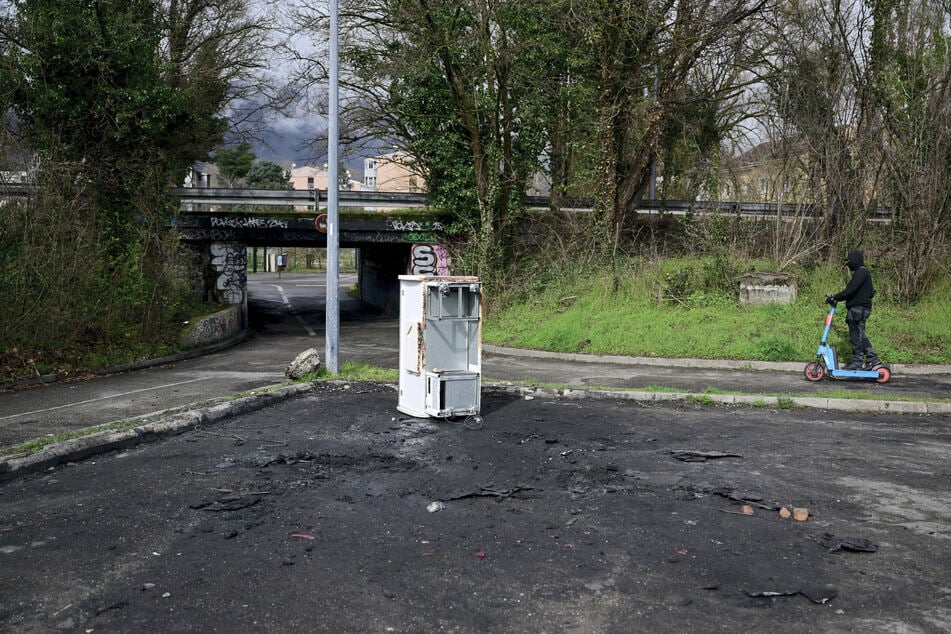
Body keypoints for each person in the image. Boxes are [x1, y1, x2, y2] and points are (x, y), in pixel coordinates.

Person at [826, 250, 880, 370]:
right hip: (858, 309)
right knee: (859, 335)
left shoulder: (861, 272)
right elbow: (865, 292)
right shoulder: (862, 273)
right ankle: (873, 359)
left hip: (858, 310)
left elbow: (850, 289)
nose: (848, 265)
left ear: (854, 261)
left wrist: (835, 297)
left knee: (856, 336)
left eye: (849, 262)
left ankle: (857, 361)